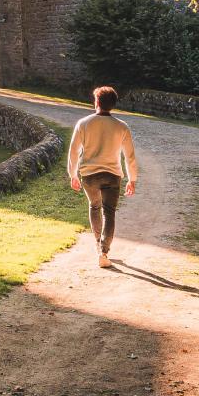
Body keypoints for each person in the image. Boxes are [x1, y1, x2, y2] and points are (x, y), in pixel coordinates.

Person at [67, 85, 139, 268]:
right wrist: (132, 179)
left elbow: (74, 152)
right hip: (112, 175)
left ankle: (98, 245)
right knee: (109, 212)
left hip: (89, 175)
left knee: (94, 206)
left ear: (96, 102)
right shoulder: (121, 126)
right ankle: (104, 251)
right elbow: (129, 156)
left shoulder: (83, 123)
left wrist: (73, 174)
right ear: (113, 104)